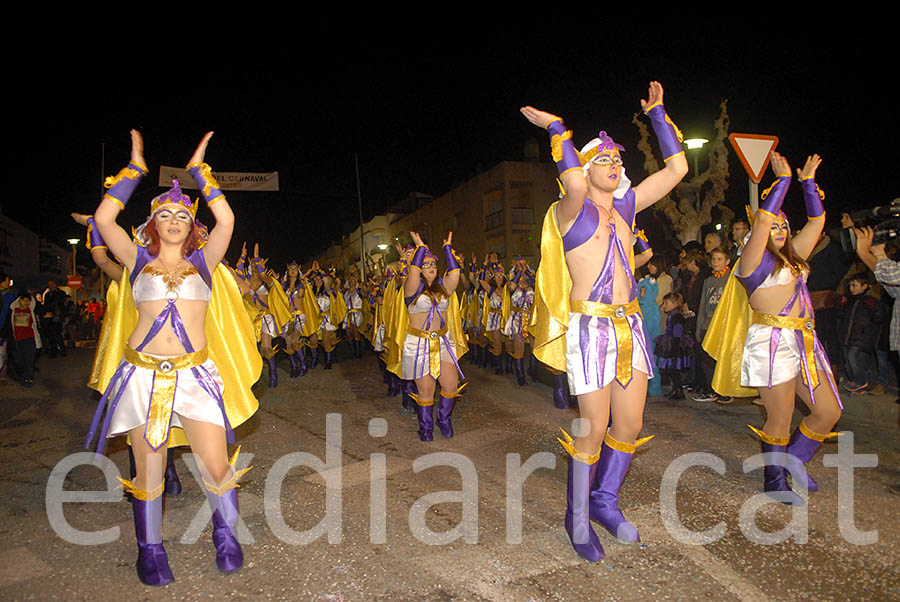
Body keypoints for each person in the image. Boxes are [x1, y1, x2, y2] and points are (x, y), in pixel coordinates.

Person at [85, 130, 260, 585]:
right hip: (142, 377)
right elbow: (105, 220)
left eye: (182, 214)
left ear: (190, 225)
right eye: (165, 214)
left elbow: (226, 220)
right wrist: (135, 171)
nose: (174, 219)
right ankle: (150, 550)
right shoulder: (135, 260)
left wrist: (202, 175)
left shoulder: (204, 261)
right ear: (153, 225)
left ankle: (226, 536)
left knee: (216, 465)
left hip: (195, 375)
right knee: (150, 468)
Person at [523, 81, 688, 561]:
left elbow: (677, 167)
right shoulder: (570, 209)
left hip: (630, 325)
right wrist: (557, 128)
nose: (616, 166)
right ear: (585, 167)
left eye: (620, 161)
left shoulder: (626, 207)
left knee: (631, 423)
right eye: (605, 160)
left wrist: (658, 116)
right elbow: (572, 180)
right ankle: (576, 519)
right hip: (590, 327)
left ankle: (604, 501)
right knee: (592, 427)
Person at [705, 151, 842, 506]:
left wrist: (808, 183)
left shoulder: (794, 256)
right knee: (779, 419)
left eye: (784, 226)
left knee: (828, 410)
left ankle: (793, 458)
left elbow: (817, 221)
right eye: (773, 227)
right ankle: (773, 479)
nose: (779, 231)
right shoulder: (751, 262)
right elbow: (763, 222)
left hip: (804, 340)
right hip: (771, 341)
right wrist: (781, 183)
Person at [395, 231, 467, 440]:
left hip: (443, 342)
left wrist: (447, 249)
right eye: (426, 265)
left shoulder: (444, 288)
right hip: (418, 343)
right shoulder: (411, 289)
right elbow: (413, 271)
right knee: (426, 390)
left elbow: (454, 273)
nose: (431, 268)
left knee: (451, 385)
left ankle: (443, 418)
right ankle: (425, 427)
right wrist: (421, 248)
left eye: (433, 265)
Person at [693, 246, 732, 403]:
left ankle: (724, 390)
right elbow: (703, 304)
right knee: (706, 357)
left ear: (727, 261)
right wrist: (699, 326)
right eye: (714, 259)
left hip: (723, 324)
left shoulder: (731, 280)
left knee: (721, 358)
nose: (716, 262)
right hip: (707, 323)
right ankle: (712, 389)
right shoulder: (708, 281)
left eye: (719, 259)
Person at [836, 273, 885, 394]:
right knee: (848, 361)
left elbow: (879, 317)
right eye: (851, 285)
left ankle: (861, 381)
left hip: (862, 337)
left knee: (853, 356)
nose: (852, 288)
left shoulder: (870, 301)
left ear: (865, 286)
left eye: (855, 285)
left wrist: (875, 309)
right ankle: (856, 384)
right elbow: (841, 316)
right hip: (847, 335)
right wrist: (841, 305)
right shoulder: (849, 301)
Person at [655, 292, 695, 399]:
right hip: (671, 342)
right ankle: (676, 389)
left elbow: (677, 332)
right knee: (671, 370)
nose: (664, 306)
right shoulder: (672, 316)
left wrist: (674, 346)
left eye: (666, 303)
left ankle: (679, 390)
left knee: (674, 369)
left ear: (675, 304)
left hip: (674, 344)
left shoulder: (676, 317)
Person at [9, 291, 41, 387]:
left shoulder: (30, 311)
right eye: (24, 300)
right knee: (20, 359)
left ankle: (28, 378)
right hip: (18, 340)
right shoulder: (14, 311)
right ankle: (23, 376)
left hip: (29, 339)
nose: (26, 302)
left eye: (28, 301)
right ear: (19, 301)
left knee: (29, 359)